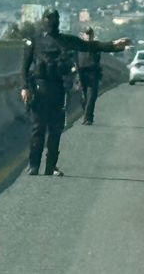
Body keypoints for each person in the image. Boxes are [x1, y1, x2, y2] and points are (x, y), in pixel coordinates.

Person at [21, 9, 131, 176]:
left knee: (55, 129)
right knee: (38, 128)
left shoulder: (66, 40)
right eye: (49, 18)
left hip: (58, 89)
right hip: (39, 89)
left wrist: (114, 46)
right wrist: (24, 87)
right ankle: (34, 165)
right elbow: (24, 67)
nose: (52, 22)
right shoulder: (34, 41)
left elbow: (91, 46)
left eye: (54, 19)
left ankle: (50, 166)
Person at [76, 27, 103, 125]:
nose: (89, 36)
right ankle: (86, 114)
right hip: (81, 74)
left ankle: (88, 118)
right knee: (83, 98)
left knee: (91, 96)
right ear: (83, 35)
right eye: (87, 34)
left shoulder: (95, 47)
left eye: (90, 34)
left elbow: (97, 61)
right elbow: (74, 59)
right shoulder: (78, 46)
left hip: (93, 74)